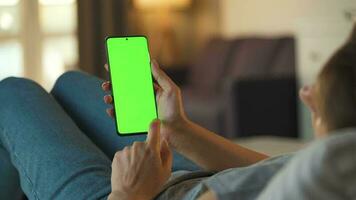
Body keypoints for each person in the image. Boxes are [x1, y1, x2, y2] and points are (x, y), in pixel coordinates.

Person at [0, 25, 354, 200]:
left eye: (327, 92)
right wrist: (179, 131)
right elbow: (265, 170)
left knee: (15, 91)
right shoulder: (327, 168)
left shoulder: (329, 168)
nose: (306, 92)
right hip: (185, 175)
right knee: (69, 84)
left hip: (137, 194)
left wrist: (127, 194)